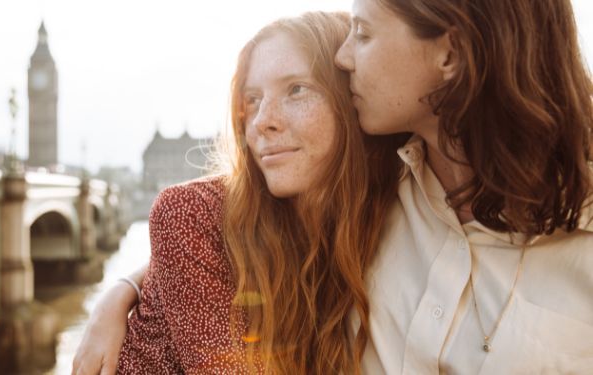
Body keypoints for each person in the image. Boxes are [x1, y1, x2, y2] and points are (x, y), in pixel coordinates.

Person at [75, 0, 593, 373]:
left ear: (450, 55)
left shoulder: (379, 188)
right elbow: (200, 229)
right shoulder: (396, 184)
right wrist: (122, 291)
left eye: (363, 35)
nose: (347, 58)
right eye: (252, 100)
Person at [76, 11, 401, 374]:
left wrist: (124, 287)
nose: (263, 120)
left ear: (350, 98)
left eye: (296, 89)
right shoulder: (189, 211)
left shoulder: (390, 211)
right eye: (253, 99)